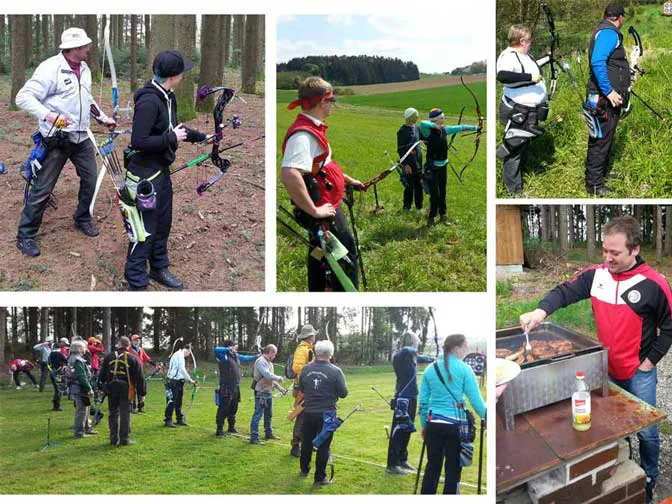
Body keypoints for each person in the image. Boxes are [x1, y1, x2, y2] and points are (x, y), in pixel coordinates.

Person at [519, 214, 672, 504]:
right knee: (614, 424)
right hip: (605, 369)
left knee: (648, 431)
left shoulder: (654, 283)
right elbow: (565, 291)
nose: (608, 258)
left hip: (638, 372)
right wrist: (540, 313)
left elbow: (669, 327)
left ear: (635, 249)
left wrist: (649, 362)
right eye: (605, 250)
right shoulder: (596, 275)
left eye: (615, 252)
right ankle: (620, 461)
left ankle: (650, 475)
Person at [14, 27, 117, 257]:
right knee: (43, 187)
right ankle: (25, 235)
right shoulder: (51, 68)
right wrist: (50, 116)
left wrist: (102, 118)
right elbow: (23, 97)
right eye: (85, 46)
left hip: (81, 137)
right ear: (73, 49)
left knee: (90, 180)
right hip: (56, 139)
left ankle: (81, 218)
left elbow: (86, 98)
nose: (89, 49)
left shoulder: (85, 68)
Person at [124, 50, 210, 291]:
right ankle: (136, 281)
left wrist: (202, 137)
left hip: (161, 171)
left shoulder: (167, 96)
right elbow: (138, 140)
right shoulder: (149, 101)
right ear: (174, 76)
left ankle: (159, 268)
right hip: (144, 175)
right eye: (182, 72)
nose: (184, 76)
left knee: (162, 224)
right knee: (143, 230)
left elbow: (174, 127)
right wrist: (170, 137)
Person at [280, 76, 364, 291]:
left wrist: (348, 181)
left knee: (325, 259)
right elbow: (290, 174)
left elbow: (322, 166)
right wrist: (315, 211)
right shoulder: (303, 136)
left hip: (330, 207)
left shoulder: (313, 129)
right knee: (339, 263)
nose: (332, 105)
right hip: (325, 215)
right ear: (321, 102)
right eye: (331, 100)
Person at [418, 334, 486, 494]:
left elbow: (423, 403)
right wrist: (488, 417)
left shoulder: (429, 369)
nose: (467, 349)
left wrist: (424, 426)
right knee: (453, 471)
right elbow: (476, 401)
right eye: (466, 346)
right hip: (455, 426)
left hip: (433, 423)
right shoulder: (465, 369)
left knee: (432, 467)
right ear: (457, 348)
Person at [495, 24, 549, 197]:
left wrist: (548, 59)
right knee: (514, 148)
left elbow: (532, 68)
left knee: (523, 144)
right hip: (518, 111)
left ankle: (520, 177)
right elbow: (503, 76)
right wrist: (530, 78)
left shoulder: (524, 56)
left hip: (528, 110)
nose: (531, 43)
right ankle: (515, 190)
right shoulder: (508, 56)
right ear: (522, 41)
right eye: (529, 40)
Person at [583, 3, 631, 195]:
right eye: (623, 18)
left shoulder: (604, 31)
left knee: (605, 136)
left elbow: (611, 63)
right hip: (603, 98)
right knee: (600, 140)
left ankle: (599, 175)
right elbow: (597, 61)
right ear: (620, 18)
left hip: (606, 96)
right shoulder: (609, 33)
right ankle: (594, 185)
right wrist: (610, 91)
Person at [298, 340, 348, 485]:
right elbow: (343, 393)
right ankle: (319, 477)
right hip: (326, 414)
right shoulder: (335, 371)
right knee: (324, 445)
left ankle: (304, 469)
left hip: (308, 412)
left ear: (316, 352)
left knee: (306, 442)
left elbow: (302, 388)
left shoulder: (306, 369)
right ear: (330, 354)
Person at [419, 109, 478, 226]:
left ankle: (443, 215)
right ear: (438, 119)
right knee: (435, 194)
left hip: (443, 167)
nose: (444, 119)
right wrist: (435, 125)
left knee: (443, 191)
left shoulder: (445, 130)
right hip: (432, 168)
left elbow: (460, 127)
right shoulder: (428, 132)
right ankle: (431, 217)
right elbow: (422, 123)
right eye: (442, 118)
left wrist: (476, 128)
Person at [386, 332, 434, 475]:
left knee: (407, 428)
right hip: (403, 398)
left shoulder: (410, 356)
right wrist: (412, 348)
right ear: (411, 342)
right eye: (416, 341)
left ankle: (402, 459)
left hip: (412, 397)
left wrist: (434, 358)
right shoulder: (400, 355)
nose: (417, 344)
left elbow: (420, 357)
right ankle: (392, 464)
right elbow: (406, 351)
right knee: (399, 430)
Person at [99, 336, 145, 446]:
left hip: (111, 389)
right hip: (126, 390)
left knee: (113, 413)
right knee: (125, 414)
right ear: (128, 346)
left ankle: (113, 438)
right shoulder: (133, 358)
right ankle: (124, 439)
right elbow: (139, 377)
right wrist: (142, 393)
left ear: (118, 345)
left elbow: (102, 375)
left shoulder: (109, 357)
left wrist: (101, 387)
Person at [213, 340, 256, 436]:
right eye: (233, 346)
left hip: (235, 386)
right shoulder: (223, 356)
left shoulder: (235, 356)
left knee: (233, 407)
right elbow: (216, 349)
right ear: (229, 347)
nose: (235, 348)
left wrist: (256, 357)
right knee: (223, 407)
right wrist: (228, 349)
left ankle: (231, 427)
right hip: (226, 386)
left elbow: (245, 357)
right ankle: (219, 429)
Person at [250, 344, 286, 444]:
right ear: (270, 352)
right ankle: (254, 437)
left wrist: (279, 388)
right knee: (258, 414)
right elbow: (267, 374)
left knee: (268, 414)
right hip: (261, 392)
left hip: (268, 392)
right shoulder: (261, 361)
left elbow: (269, 379)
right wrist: (279, 378)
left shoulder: (270, 363)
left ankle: (268, 433)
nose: (275, 356)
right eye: (274, 354)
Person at [289, 324, 317, 457]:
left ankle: (309, 443)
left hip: (310, 387)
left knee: (312, 416)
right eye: (313, 335)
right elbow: (297, 368)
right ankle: (295, 445)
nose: (315, 337)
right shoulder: (302, 349)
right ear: (310, 337)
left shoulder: (309, 349)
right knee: (301, 416)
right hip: (304, 388)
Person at [67, 340, 98, 438]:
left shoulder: (73, 359)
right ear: (79, 349)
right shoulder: (77, 361)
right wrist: (89, 388)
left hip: (78, 388)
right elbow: (81, 376)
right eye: (84, 347)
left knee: (86, 409)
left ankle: (87, 428)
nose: (85, 349)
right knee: (81, 411)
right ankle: (79, 432)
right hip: (80, 388)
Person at [397, 108, 424, 211]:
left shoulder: (417, 128)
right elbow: (400, 150)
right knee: (409, 186)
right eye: (415, 116)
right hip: (409, 164)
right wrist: (405, 165)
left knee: (419, 185)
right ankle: (406, 207)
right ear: (409, 118)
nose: (417, 118)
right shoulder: (402, 131)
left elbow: (423, 139)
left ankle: (419, 206)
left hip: (418, 162)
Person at [164, 343, 195, 428]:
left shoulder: (179, 355)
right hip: (172, 381)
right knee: (172, 400)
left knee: (179, 401)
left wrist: (185, 379)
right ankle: (168, 419)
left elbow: (179, 371)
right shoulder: (179, 355)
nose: (189, 355)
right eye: (190, 352)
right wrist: (189, 379)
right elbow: (182, 369)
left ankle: (179, 419)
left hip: (179, 381)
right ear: (188, 350)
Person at [128, 334, 158, 413]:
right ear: (132, 341)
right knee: (132, 390)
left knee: (141, 390)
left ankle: (141, 407)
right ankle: (133, 407)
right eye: (135, 340)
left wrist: (155, 365)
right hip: (131, 372)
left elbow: (147, 358)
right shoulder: (128, 350)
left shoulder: (141, 350)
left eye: (138, 340)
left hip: (140, 372)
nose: (137, 341)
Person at [48, 340, 68, 410]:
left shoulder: (50, 354)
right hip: (58, 373)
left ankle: (55, 403)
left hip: (52, 372)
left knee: (56, 389)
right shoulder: (60, 354)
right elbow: (66, 361)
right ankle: (57, 406)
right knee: (59, 390)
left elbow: (49, 363)